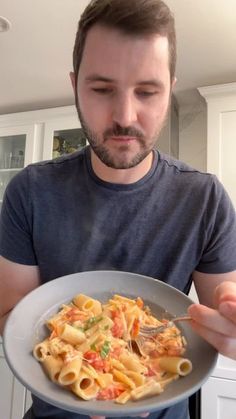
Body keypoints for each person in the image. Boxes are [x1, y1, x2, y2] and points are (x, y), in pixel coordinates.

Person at [0, 0, 236, 418]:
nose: (125, 116)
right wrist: (83, 370)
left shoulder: (206, 201)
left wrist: (231, 326)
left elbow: (223, 308)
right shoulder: (28, 192)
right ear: (75, 85)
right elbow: (9, 315)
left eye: (147, 91)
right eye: (102, 89)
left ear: (171, 87)